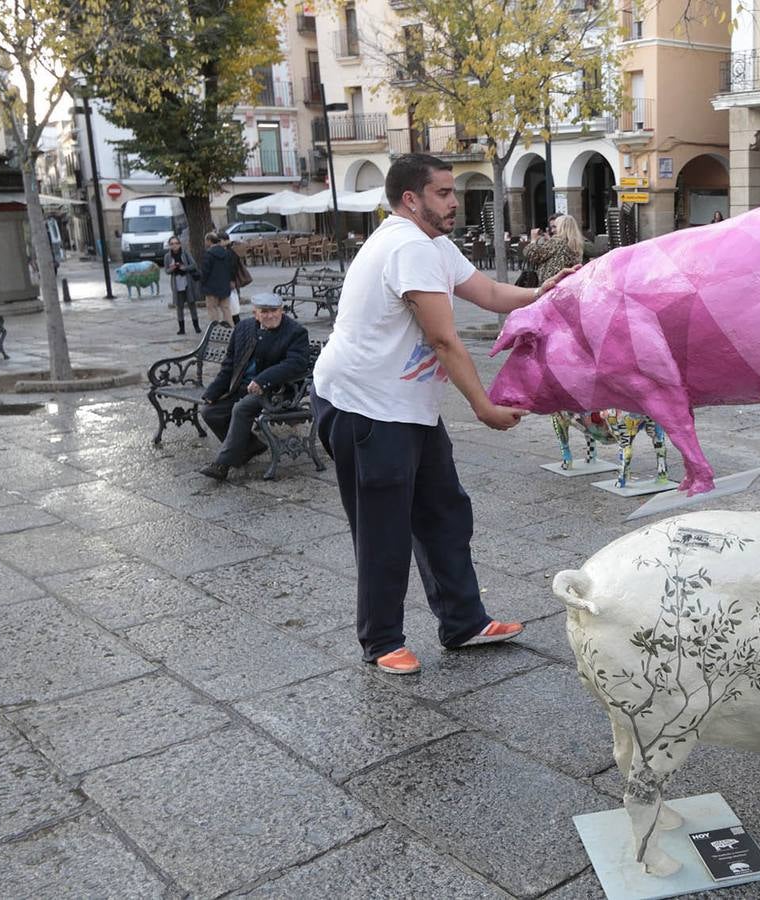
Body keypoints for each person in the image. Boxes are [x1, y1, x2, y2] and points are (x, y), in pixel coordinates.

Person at [311, 153, 580, 675]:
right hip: (364, 406)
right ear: (411, 199)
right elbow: (442, 337)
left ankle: (463, 622)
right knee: (384, 527)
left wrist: (543, 292)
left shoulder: (432, 243)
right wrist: (483, 406)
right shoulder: (406, 245)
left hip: (405, 405)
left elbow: (490, 293)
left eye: (454, 192)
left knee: (444, 511)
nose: (455, 201)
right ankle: (381, 638)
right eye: (443, 193)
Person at [197, 293, 310, 481]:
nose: (270, 315)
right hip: (242, 387)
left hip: (277, 391)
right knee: (210, 411)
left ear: (281, 311)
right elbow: (229, 364)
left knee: (241, 408)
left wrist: (263, 380)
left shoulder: (295, 332)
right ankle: (250, 446)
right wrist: (213, 392)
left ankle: (222, 464)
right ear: (255, 313)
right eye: (264, 312)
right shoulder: (243, 327)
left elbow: (295, 364)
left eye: (274, 311)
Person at [523, 212, 585, 286]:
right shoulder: (575, 242)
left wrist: (533, 240)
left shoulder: (558, 241)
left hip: (552, 283)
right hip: (566, 283)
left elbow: (532, 253)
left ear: (562, 227)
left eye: (555, 227)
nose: (552, 230)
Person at [164, 236, 201, 335]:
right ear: (169, 245)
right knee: (179, 306)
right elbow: (166, 271)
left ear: (179, 244)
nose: (174, 245)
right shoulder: (167, 256)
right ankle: (181, 328)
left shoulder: (185, 253)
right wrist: (172, 268)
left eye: (176, 243)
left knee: (191, 304)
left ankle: (196, 326)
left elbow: (194, 265)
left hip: (187, 281)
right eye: (172, 244)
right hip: (176, 283)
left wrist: (184, 267)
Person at [199, 231, 237, 324]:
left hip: (211, 287)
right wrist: (231, 280)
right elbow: (232, 268)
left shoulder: (208, 254)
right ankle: (231, 328)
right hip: (224, 285)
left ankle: (215, 329)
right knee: (226, 309)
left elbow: (205, 272)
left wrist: (202, 282)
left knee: (212, 309)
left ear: (209, 241)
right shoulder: (227, 253)